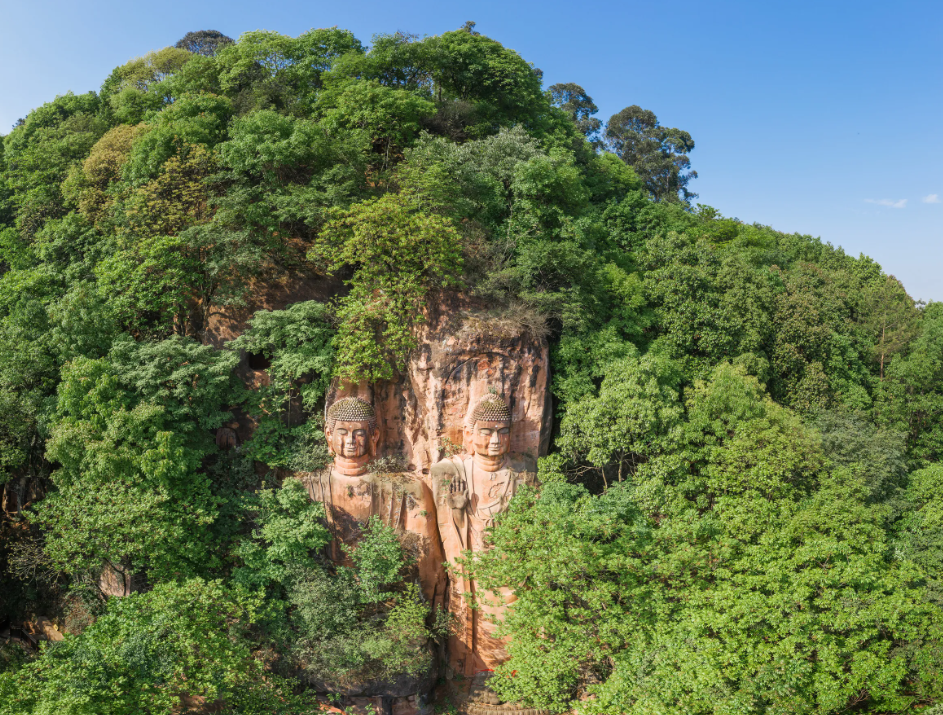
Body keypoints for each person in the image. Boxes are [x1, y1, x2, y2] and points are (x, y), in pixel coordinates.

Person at [430, 392, 537, 678]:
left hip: (510, 566)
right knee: (471, 614)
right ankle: (472, 674)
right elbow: (446, 535)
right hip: (473, 568)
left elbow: (533, 524)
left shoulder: (523, 470)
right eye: (486, 432)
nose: (495, 440)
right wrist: (456, 510)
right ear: (468, 433)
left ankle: (517, 674)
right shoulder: (450, 471)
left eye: (503, 432)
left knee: (514, 618)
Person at [305, 396, 445, 609]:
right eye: (342, 433)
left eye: (359, 433)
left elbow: (426, 560)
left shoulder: (406, 487)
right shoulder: (308, 487)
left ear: (374, 436)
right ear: (328, 435)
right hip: (327, 598)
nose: (351, 440)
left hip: (388, 598)